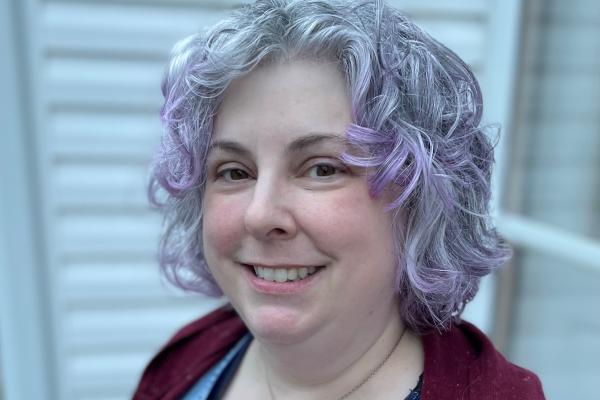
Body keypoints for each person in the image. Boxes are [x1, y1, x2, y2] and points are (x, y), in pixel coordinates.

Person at [134, 0, 545, 399]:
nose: (260, 215)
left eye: (322, 168)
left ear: (421, 199)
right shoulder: (186, 363)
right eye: (234, 172)